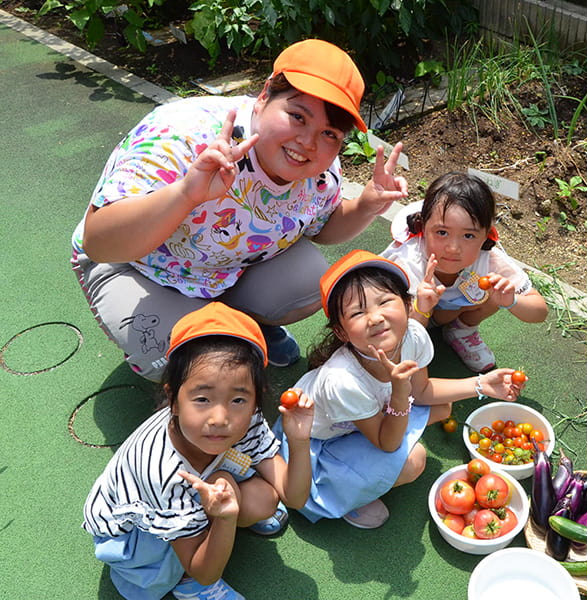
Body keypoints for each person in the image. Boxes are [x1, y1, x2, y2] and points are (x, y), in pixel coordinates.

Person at [71, 38, 407, 381]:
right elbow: (100, 243)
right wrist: (186, 193)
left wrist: (366, 206)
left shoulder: (320, 173)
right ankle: (218, 333)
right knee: (194, 367)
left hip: (229, 267)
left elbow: (321, 228)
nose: (308, 142)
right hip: (140, 268)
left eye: (329, 133)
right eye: (297, 116)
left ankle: (245, 324)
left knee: (310, 283)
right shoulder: (183, 131)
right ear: (264, 96)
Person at [272, 250, 525, 529]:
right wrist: (400, 392)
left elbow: (424, 391)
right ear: (342, 333)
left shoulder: (413, 335)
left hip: (365, 416)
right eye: (358, 312)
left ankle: (361, 471)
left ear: (407, 305)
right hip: (317, 441)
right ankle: (341, 493)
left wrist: (481, 385)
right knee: (413, 461)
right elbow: (387, 442)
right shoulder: (342, 380)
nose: (375, 318)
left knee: (442, 407)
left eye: (384, 302)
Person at [82, 302, 314, 600]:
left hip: (200, 482)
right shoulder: (161, 471)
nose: (220, 418)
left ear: (256, 401)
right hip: (136, 534)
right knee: (179, 570)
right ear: (173, 400)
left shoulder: (249, 421)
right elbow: (206, 572)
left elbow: (294, 497)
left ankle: (211, 524)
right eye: (202, 399)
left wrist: (298, 440)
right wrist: (226, 519)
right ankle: (187, 585)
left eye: (238, 400)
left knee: (263, 500)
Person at [381, 171, 548, 373]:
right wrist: (421, 310)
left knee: (497, 291)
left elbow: (540, 311)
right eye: (442, 233)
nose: (453, 248)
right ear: (423, 227)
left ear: (486, 235)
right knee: (398, 345)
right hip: (408, 318)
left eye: (468, 235)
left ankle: (461, 330)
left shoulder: (489, 258)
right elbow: (389, 325)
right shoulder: (406, 261)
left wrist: (511, 300)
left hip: (449, 311)